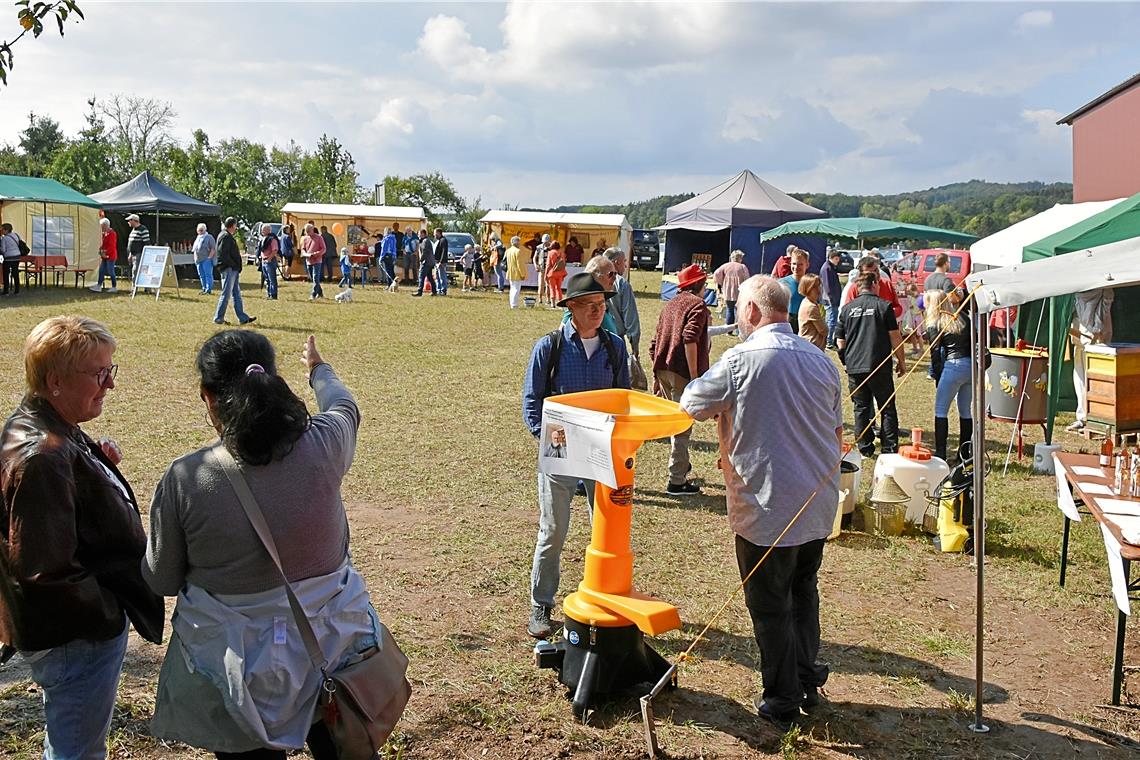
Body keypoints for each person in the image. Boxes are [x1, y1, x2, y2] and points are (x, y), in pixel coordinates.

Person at [144, 331, 385, 760]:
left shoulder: (184, 479)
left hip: (239, 671)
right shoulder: (325, 444)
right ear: (273, 381)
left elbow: (162, 578)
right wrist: (317, 368)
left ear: (208, 397)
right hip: (333, 647)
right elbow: (345, 406)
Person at [680, 275, 841, 729]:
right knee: (803, 592)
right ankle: (806, 679)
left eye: (739, 310)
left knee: (771, 604)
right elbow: (836, 431)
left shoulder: (741, 359)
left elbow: (692, 401)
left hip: (769, 507)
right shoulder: (821, 360)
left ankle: (783, 698)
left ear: (751, 311)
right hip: (815, 502)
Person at [1, 316, 165, 759]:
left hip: (71, 631)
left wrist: (94, 469)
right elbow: (45, 570)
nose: (110, 383)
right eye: (98, 373)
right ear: (55, 380)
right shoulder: (42, 456)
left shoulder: (45, 425)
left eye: (112, 369)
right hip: (76, 637)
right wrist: (110, 614)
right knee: (77, 751)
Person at [522, 271, 631, 638]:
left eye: (602, 305)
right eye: (590, 306)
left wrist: (616, 441)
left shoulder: (616, 347)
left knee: (606, 531)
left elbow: (623, 400)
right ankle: (541, 603)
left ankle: (602, 596)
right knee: (553, 530)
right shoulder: (549, 346)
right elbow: (531, 400)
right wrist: (546, 438)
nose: (599, 311)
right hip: (560, 449)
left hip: (601, 452)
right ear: (571, 308)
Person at [650, 263, 710, 495]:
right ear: (700, 285)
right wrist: (695, 378)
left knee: (676, 424)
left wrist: (656, 373)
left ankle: (682, 464)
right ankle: (676, 480)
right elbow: (689, 339)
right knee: (682, 427)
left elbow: (656, 340)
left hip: (663, 367)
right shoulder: (698, 305)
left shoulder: (670, 304)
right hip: (682, 371)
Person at [836, 271, 905, 457]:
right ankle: (889, 447)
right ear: (875, 284)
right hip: (879, 365)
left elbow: (839, 341)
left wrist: (845, 361)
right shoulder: (884, 307)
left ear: (857, 287)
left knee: (861, 407)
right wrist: (902, 361)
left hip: (855, 366)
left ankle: (865, 447)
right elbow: (895, 337)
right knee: (886, 407)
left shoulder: (846, 309)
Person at [925, 289, 972, 460]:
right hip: (970, 368)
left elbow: (935, 354)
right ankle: (964, 454)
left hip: (953, 366)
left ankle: (940, 453)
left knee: (941, 410)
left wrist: (937, 376)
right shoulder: (963, 318)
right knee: (965, 410)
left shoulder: (935, 323)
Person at [1067, 289, 1114, 432]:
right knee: (1080, 375)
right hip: (1079, 335)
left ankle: (1095, 418)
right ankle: (1082, 417)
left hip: (1096, 337)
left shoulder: (1103, 288)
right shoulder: (1077, 287)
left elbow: (1107, 300)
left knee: (1094, 378)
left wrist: (1097, 329)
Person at [603, 247, 643, 364]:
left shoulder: (594, 279)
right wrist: (635, 347)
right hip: (615, 339)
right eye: (624, 262)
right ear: (616, 263)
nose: (625, 266)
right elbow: (630, 317)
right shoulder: (622, 284)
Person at [214, 217, 257, 326]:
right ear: (232, 225)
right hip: (229, 269)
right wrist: (233, 265)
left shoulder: (226, 236)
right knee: (226, 294)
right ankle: (218, 318)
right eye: (235, 225)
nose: (236, 227)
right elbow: (224, 254)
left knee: (236, 294)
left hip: (232, 269)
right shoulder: (225, 236)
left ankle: (242, 317)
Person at [713, 249, 750, 326]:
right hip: (740, 291)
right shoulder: (743, 267)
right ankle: (738, 329)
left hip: (728, 290)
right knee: (738, 310)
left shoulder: (725, 266)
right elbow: (747, 279)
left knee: (729, 310)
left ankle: (729, 330)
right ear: (739, 258)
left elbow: (716, 274)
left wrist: (721, 282)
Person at [780, 248, 810, 333]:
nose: (796, 267)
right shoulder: (782, 283)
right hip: (788, 322)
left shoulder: (811, 283)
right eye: (794, 264)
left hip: (806, 321)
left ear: (807, 265)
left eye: (800, 264)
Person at [797, 273, 827, 350]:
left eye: (819, 285)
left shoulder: (808, 302)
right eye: (814, 287)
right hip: (811, 347)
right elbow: (824, 330)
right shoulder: (810, 307)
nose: (818, 289)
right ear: (807, 288)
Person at [819, 248, 842, 349]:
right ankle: (828, 341)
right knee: (831, 320)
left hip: (832, 299)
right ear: (831, 258)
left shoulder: (830, 267)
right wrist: (832, 299)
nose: (838, 261)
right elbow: (827, 286)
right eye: (836, 259)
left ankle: (829, 340)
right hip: (829, 300)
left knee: (831, 319)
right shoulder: (827, 268)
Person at [90, 218, 120, 293]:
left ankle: (114, 287)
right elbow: (104, 244)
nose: (101, 228)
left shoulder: (112, 233)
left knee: (111, 271)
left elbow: (112, 246)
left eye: (102, 226)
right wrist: (101, 249)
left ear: (105, 225)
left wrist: (105, 253)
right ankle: (99, 286)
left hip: (111, 256)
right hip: (105, 256)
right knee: (101, 270)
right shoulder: (105, 233)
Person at [301, 223, 326, 300]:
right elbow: (303, 249)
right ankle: (320, 292)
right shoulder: (305, 238)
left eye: (309, 231)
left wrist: (316, 254)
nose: (307, 232)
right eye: (306, 231)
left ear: (312, 230)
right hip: (308, 260)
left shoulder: (319, 238)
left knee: (315, 277)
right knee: (313, 278)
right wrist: (305, 253)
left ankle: (313, 294)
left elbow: (324, 249)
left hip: (317, 260)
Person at [191, 222, 216, 295]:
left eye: (201, 230)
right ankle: (204, 288)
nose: (200, 232)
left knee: (208, 274)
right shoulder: (197, 238)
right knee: (201, 275)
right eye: (199, 230)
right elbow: (195, 249)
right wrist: (195, 258)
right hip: (198, 260)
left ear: (205, 230)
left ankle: (208, 290)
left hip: (206, 259)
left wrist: (209, 257)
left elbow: (213, 248)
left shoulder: (209, 237)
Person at [125, 213, 150, 284]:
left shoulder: (143, 229)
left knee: (136, 271)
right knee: (135, 271)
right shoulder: (133, 230)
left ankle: (135, 289)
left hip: (139, 254)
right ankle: (135, 288)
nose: (128, 222)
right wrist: (130, 254)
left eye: (129, 220)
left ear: (134, 221)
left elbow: (147, 243)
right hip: (133, 254)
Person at [413, 228, 438, 297]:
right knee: (429, 277)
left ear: (423, 234)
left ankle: (419, 292)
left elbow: (425, 252)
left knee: (421, 276)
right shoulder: (424, 241)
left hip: (426, 262)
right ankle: (434, 291)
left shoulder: (425, 241)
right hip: (429, 262)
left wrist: (421, 260)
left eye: (419, 234)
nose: (418, 235)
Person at [258, 223, 280, 300]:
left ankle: (274, 295)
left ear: (268, 230)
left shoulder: (272, 239)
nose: (262, 231)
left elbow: (275, 250)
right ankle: (269, 294)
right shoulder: (263, 239)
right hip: (264, 261)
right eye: (262, 229)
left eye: (264, 229)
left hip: (270, 261)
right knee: (267, 279)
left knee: (272, 279)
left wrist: (269, 259)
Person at [1, 222, 23, 296]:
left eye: (2, 229)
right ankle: (17, 290)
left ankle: (6, 291)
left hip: (8, 258)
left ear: (6, 230)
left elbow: (3, 250)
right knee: (15, 273)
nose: (1, 231)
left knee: (6, 274)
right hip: (17, 257)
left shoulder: (4, 238)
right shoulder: (16, 235)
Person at [533, 233, 551, 306]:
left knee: (548, 285)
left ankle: (548, 299)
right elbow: (534, 258)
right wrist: (535, 265)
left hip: (549, 269)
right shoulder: (539, 247)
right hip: (541, 268)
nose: (545, 243)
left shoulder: (551, 247)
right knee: (540, 284)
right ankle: (540, 299)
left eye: (546, 242)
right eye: (544, 242)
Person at [380, 226, 398, 291]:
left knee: (388, 271)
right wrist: (394, 256)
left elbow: (384, 249)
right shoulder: (394, 239)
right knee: (392, 271)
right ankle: (394, 284)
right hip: (392, 256)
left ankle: (389, 284)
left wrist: (381, 258)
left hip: (387, 256)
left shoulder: (386, 239)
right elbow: (394, 248)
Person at [433, 228, 450, 295]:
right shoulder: (439, 240)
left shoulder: (443, 240)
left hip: (441, 262)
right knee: (437, 277)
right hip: (437, 261)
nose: (434, 235)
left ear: (439, 233)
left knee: (442, 276)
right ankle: (438, 290)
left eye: (435, 233)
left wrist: (441, 261)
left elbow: (444, 252)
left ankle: (443, 290)